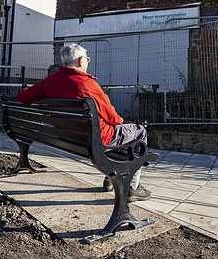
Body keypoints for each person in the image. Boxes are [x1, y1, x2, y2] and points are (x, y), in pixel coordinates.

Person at [16, 42, 151, 202]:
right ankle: (132, 187)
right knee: (138, 132)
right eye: (87, 59)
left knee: (123, 137)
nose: (87, 62)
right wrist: (122, 122)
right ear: (80, 61)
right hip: (96, 139)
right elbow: (112, 118)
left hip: (66, 137)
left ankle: (112, 176)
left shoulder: (51, 81)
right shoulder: (86, 84)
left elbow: (22, 97)